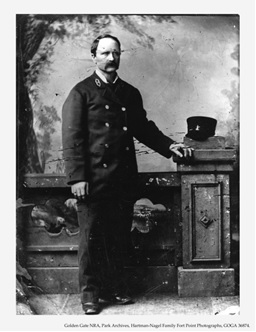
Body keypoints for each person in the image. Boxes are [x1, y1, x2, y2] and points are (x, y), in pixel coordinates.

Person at [62, 34, 193, 315]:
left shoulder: (129, 93)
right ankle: (90, 295)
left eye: (116, 53)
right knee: (91, 239)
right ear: (94, 56)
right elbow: (72, 139)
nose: (111, 58)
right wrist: (77, 178)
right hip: (92, 181)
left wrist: (170, 147)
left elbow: (143, 129)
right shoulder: (81, 93)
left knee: (119, 237)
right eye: (105, 53)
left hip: (122, 179)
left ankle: (115, 287)